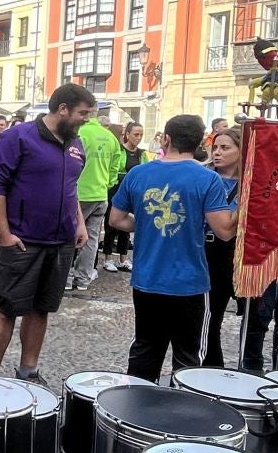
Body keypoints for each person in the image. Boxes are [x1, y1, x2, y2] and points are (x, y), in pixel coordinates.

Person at [110, 115, 236, 383]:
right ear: (201, 141)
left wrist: (143, 223)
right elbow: (225, 230)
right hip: (189, 283)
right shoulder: (207, 179)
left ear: (166, 139)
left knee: (145, 351)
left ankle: (137, 414)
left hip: (147, 279)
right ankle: (185, 418)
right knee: (189, 360)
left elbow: (116, 220)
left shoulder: (138, 173)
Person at [0, 85, 93, 382]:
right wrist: (4, 234)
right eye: (83, 113)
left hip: (60, 242)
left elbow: (71, 187)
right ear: (63, 109)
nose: (86, 119)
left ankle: (28, 370)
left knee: (41, 309)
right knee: (7, 308)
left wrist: (79, 222)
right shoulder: (17, 137)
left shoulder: (75, 144)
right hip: (22, 240)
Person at [201, 126, 243, 369]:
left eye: (225, 148)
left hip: (233, 252)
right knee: (207, 317)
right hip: (205, 249)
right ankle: (210, 368)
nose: (217, 153)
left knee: (247, 318)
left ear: (241, 150)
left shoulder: (250, 182)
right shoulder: (205, 176)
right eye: (215, 147)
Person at [73, 109, 124, 290]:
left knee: (69, 235)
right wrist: (107, 183)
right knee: (92, 238)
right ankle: (83, 279)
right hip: (100, 193)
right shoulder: (110, 137)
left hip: (79, 193)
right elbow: (116, 167)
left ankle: (66, 278)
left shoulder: (79, 132)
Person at [100, 122, 145, 272]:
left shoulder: (142, 154)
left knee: (128, 224)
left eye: (141, 135)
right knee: (111, 223)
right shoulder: (119, 150)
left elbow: (145, 172)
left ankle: (123, 258)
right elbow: (112, 168)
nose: (138, 138)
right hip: (116, 190)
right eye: (135, 134)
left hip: (133, 193)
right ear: (127, 135)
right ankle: (107, 258)